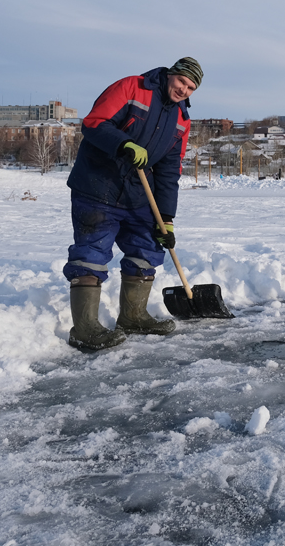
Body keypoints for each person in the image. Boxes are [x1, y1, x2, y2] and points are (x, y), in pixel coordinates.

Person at [62, 57, 203, 351]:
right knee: (92, 252)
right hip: (99, 185)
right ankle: (84, 328)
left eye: (191, 87)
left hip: (139, 193)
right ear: (170, 75)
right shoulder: (132, 87)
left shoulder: (181, 119)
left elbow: (169, 170)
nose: (184, 90)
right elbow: (94, 123)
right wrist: (123, 144)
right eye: (182, 82)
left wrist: (166, 216)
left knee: (148, 247)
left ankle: (133, 316)